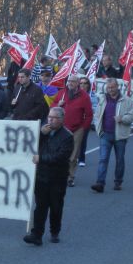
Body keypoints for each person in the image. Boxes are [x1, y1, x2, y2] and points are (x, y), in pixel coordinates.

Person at [23, 106, 74, 246]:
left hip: (58, 177)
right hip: (41, 175)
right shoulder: (43, 132)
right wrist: (41, 134)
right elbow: (30, 145)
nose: (50, 120)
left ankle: (54, 231)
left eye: (54, 118)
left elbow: (61, 157)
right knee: (40, 206)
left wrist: (42, 158)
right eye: (49, 117)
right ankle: (36, 234)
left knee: (56, 206)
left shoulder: (67, 136)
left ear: (61, 120)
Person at [91, 78, 133, 193]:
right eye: (108, 87)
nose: (110, 89)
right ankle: (100, 183)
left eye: (112, 87)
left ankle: (118, 181)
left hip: (120, 135)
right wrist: (98, 130)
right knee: (103, 159)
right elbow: (97, 115)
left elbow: (132, 116)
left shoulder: (126, 100)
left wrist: (122, 119)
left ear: (117, 87)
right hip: (105, 134)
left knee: (120, 159)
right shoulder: (103, 99)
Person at [51, 75, 92, 187]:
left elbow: (89, 114)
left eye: (73, 81)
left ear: (78, 83)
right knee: (58, 152)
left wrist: (84, 127)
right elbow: (52, 106)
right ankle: (59, 175)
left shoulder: (84, 96)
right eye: (69, 81)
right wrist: (57, 105)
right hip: (61, 128)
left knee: (73, 155)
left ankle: (70, 177)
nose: (70, 83)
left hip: (77, 128)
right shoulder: (61, 93)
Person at [78, 76, 97, 166]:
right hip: (74, 120)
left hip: (85, 120)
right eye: (81, 83)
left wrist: (87, 106)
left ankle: (81, 159)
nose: (83, 85)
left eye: (85, 83)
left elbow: (95, 108)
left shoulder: (92, 95)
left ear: (88, 85)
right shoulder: (75, 93)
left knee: (82, 140)